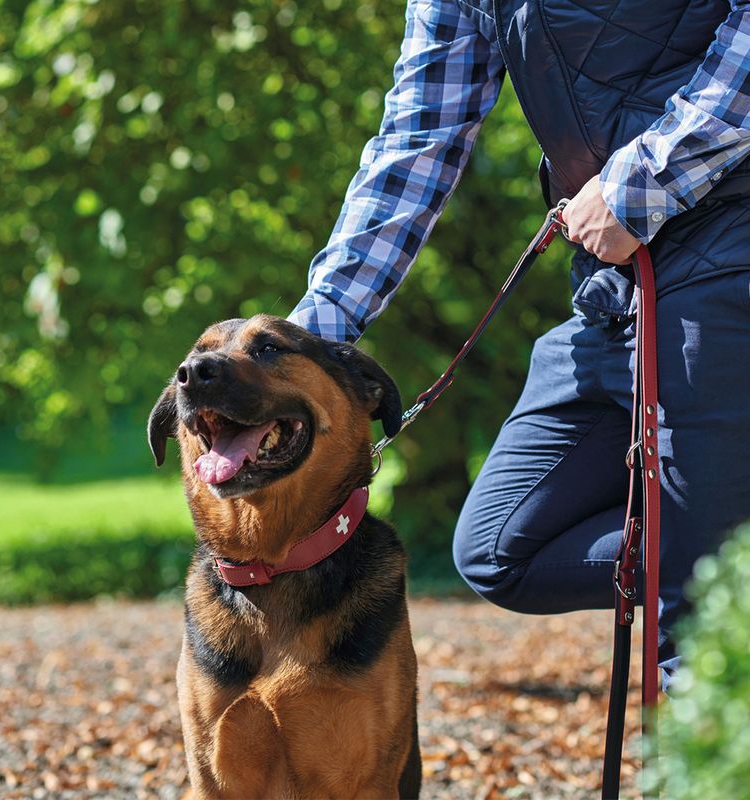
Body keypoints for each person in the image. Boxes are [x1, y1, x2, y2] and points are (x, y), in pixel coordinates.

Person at [288, 0, 750, 690]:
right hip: (612, 285)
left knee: (693, 645)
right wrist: (304, 344)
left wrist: (637, 189)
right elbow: (417, 140)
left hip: (726, 253)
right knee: (500, 547)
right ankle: (718, 555)